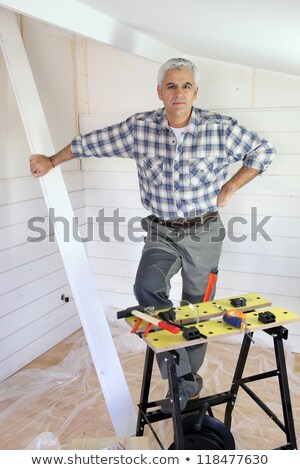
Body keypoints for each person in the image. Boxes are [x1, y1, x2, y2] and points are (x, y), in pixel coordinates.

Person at [30, 58, 276, 413]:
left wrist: (231, 187)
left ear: (196, 92)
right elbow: (91, 143)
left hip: (204, 232)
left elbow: (263, 152)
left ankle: (184, 382)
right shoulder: (139, 128)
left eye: (186, 86)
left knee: (199, 308)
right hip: (161, 231)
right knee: (147, 287)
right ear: (159, 92)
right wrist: (51, 161)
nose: (179, 93)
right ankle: (179, 375)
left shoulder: (220, 128)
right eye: (172, 86)